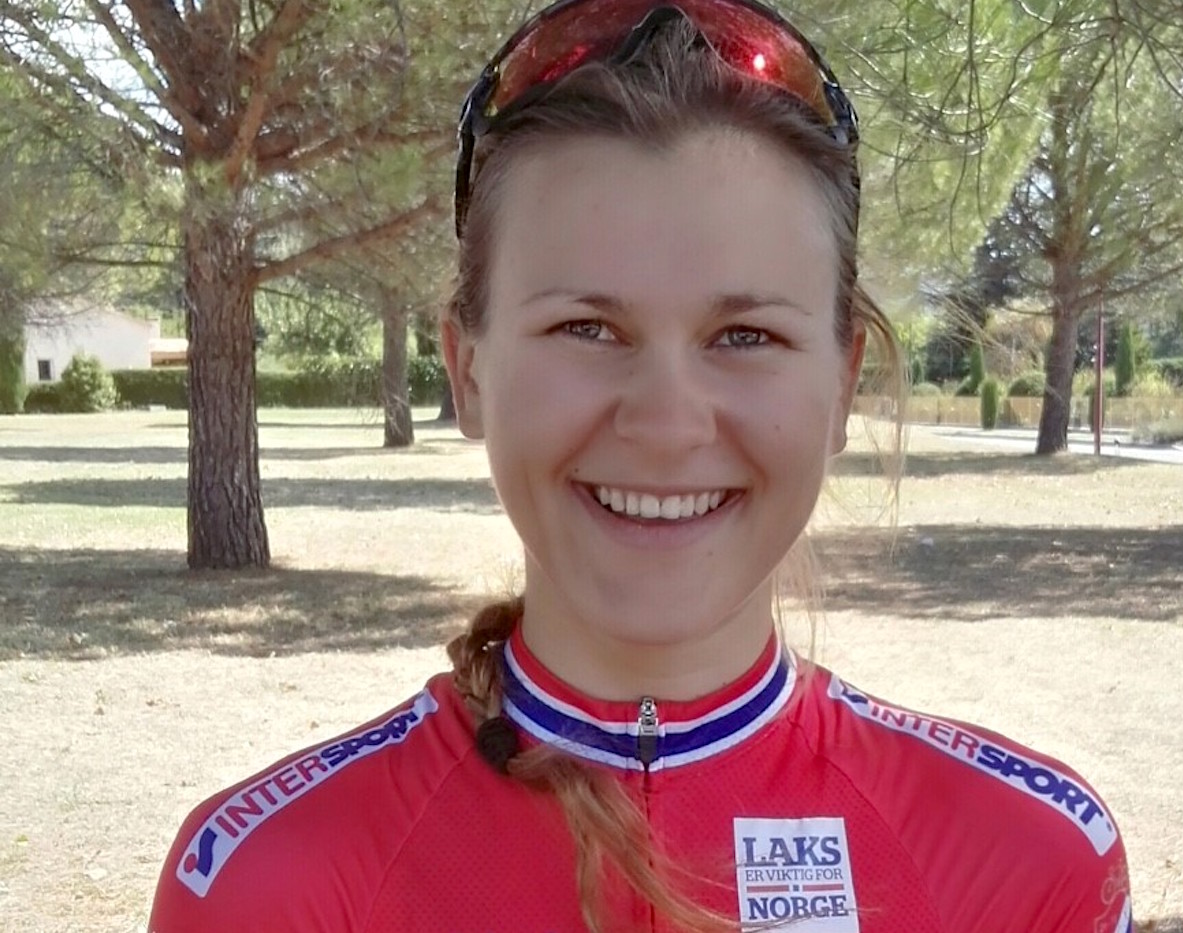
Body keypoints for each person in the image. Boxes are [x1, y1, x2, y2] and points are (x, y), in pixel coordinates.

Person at [150, 1, 1133, 931]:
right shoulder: (267, 887)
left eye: (744, 335)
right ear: (468, 371)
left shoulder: (1028, 866)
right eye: (587, 327)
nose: (665, 425)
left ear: (842, 385)